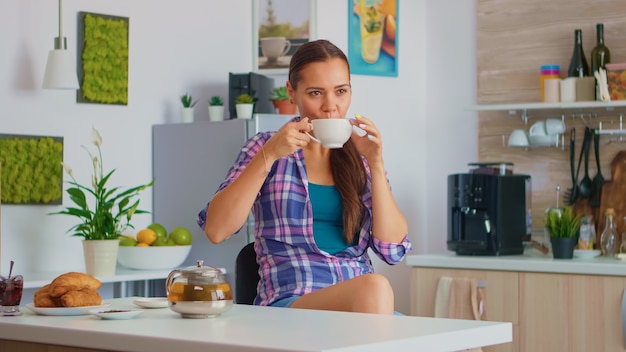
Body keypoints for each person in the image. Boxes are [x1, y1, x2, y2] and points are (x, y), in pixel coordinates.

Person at [197, 39, 411, 315]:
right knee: (375, 288)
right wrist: (270, 154)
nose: (330, 106)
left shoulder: (363, 160)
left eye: (341, 91)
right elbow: (216, 230)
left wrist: (376, 163)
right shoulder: (264, 147)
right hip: (291, 304)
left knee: (460, 342)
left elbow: (393, 250)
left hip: (365, 307)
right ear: (291, 92)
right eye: (315, 93)